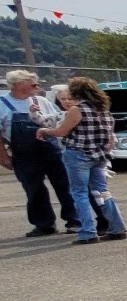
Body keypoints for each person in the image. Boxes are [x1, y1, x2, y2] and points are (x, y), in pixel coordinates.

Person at [38, 77, 127, 243]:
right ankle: (117, 228)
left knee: (79, 194)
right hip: (99, 156)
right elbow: (110, 139)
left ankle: (88, 232)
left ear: (75, 92)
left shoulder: (77, 110)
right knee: (102, 192)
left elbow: (61, 132)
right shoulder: (104, 111)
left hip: (78, 155)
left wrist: (45, 130)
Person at [0, 69, 80, 237]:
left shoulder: (42, 100)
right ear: (17, 85)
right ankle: (44, 225)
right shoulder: (2, 104)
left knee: (64, 184)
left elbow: (59, 121)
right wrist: (4, 157)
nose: (37, 87)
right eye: (33, 84)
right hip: (24, 153)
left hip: (51, 148)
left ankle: (74, 221)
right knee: (34, 189)